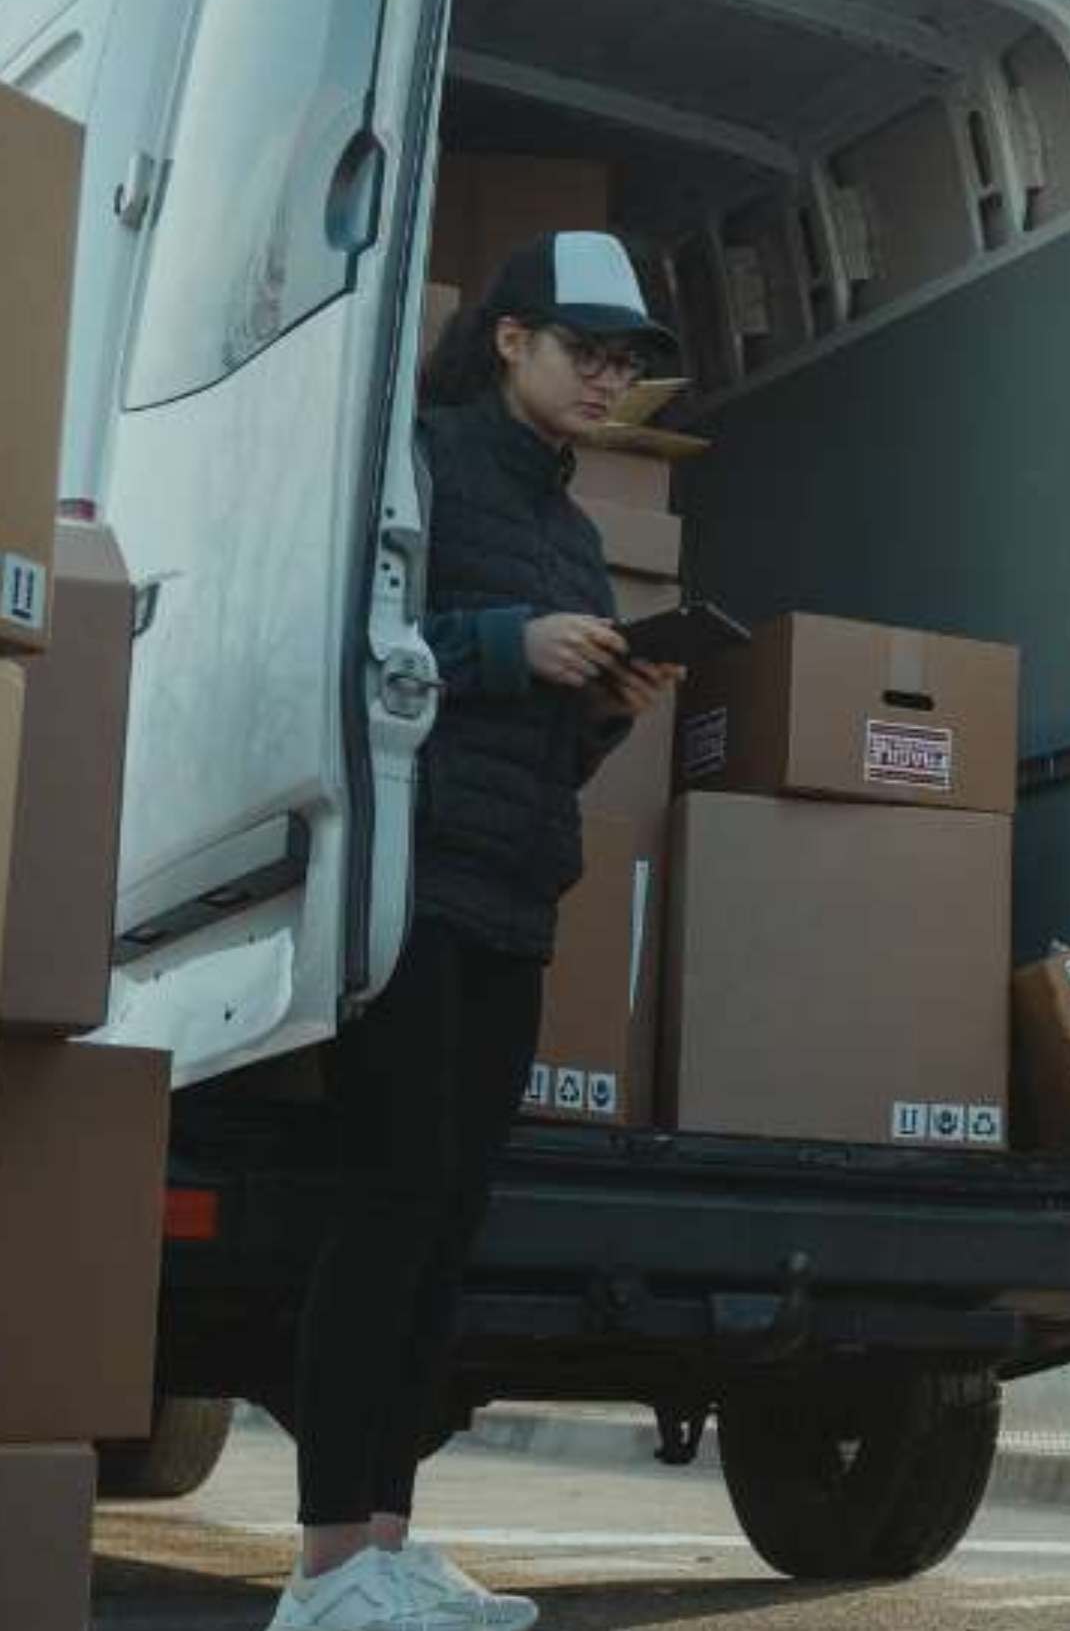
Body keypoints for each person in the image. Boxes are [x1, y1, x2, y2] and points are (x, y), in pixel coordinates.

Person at [268, 232, 686, 1631]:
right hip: (408, 888)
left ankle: (388, 1544)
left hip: (514, 896)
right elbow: (344, 652)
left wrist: (596, 715)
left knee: (448, 1222)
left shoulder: (572, 529)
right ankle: (328, 1570)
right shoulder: (421, 465)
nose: (607, 381)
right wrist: (513, 647)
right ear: (511, 339)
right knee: (388, 1208)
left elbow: (530, 753)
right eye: (587, 352)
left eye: (625, 365)